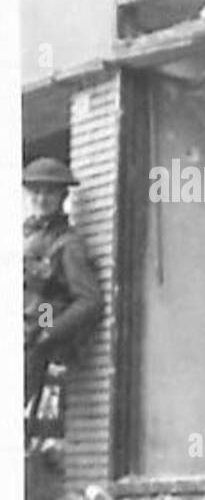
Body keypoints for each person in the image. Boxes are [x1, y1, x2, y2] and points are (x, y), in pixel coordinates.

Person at [23, 158, 102, 417]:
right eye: (35, 191)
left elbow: (88, 300)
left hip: (27, 347)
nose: (41, 198)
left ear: (62, 197)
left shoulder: (68, 244)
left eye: (49, 192)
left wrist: (47, 331)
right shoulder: (24, 236)